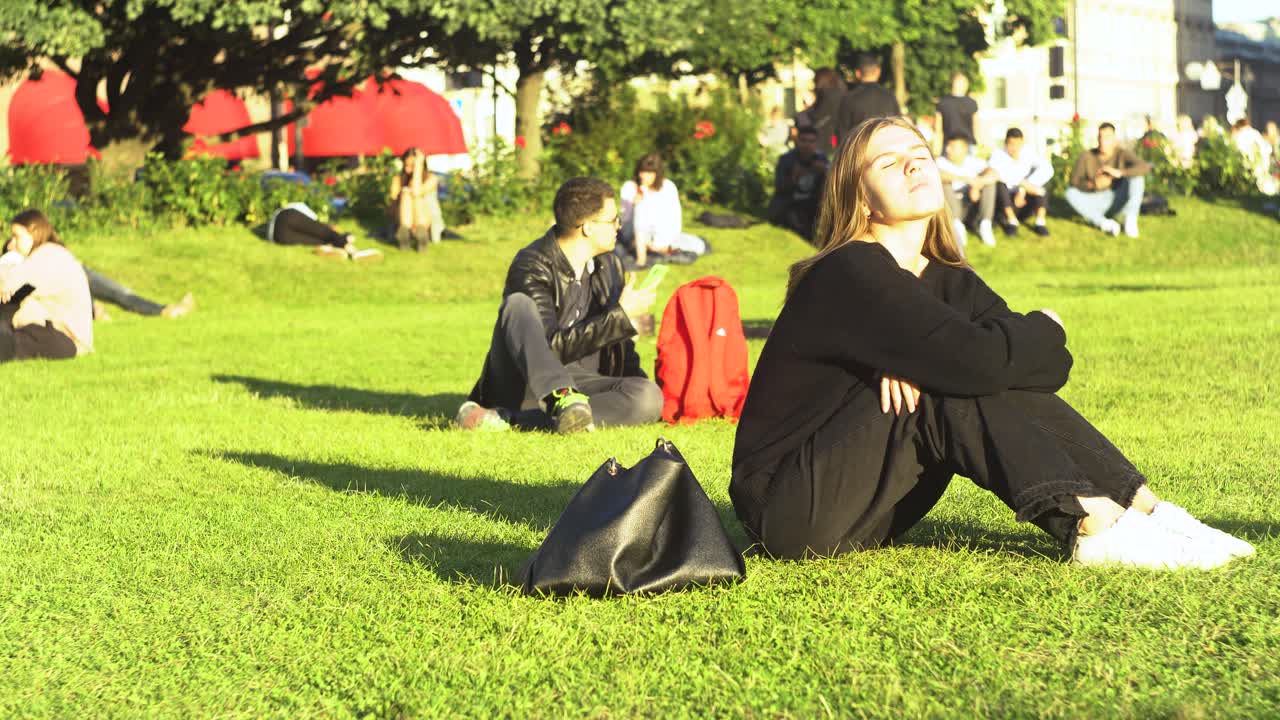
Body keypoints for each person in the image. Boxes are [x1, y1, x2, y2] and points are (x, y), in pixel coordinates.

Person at [728, 115, 1254, 569]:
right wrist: (1047, 325)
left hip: (873, 508)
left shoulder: (950, 278)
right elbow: (987, 359)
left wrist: (981, 352)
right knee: (951, 377)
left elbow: (1043, 372)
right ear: (861, 199)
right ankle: (1095, 528)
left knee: (967, 368)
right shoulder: (850, 269)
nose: (913, 166)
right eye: (888, 164)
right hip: (789, 508)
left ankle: (1149, 511)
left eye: (919, 154)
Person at [456, 177, 662, 434]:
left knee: (648, 396)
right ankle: (559, 400)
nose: (619, 226)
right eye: (612, 220)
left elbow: (618, 346)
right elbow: (550, 348)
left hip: (582, 381)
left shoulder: (610, 265)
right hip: (529, 383)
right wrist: (620, 317)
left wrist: (635, 382)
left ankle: (513, 420)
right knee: (517, 304)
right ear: (587, 227)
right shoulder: (531, 265)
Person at [0, 209, 92, 363]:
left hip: (63, 337)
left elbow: (11, 282)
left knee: (11, 341)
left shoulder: (48, 255)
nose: (12, 245)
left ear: (34, 232)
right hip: (47, 331)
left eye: (17, 237)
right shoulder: (46, 255)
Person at [618, 154, 708, 267]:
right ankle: (641, 258)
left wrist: (659, 243)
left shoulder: (668, 187)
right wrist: (633, 204)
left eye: (648, 173)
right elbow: (625, 220)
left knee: (698, 246)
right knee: (640, 209)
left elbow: (673, 219)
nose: (643, 176)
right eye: (641, 171)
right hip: (634, 233)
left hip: (661, 233)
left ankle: (656, 248)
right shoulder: (630, 187)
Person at [1065, 122, 1151, 237]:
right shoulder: (1086, 156)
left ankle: (1130, 220)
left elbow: (1145, 167)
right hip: (1096, 200)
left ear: (1114, 139)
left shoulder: (1122, 154)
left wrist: (1119, 173)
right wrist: (1093, 184)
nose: (1102, 141)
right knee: (1070, 193)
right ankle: (1105, 224)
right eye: (1100, 137)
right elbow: (1074, 181)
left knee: (1137, 178)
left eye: (1107, 137)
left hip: (1117, 198)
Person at [987, 127, 1054, 237]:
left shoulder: (1029, 152)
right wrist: (1023, 184)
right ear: (1005, 143)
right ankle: (1011, 221)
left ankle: (1040, 222)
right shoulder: (997, 154)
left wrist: (1023, 189)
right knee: (1000, 185)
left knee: (1043, 184)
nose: (1014, 148)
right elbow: (997, 175)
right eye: (1011, 144)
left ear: (1022, 142)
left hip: (1025, 198)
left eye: (1017, 144)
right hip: (1007, 200)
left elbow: (1048, 169)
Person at [935, 134, 999, 247]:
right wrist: (965, 179)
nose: (947, 149)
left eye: (952, 147)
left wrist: (977, 184)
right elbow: (937, 175)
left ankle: (985, 224)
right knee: (944, 183)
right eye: (947, 146)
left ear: (964, 149)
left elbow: (994, 174)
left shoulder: (974, 162)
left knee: (989, 184)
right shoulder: (940, 161)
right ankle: (957, 227)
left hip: (970, 204)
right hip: (952, 205)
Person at [768, 126, 829, 243]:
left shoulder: (821, 159)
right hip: (789, 204)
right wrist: (794, 178)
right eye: (804, 141)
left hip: (812, 205)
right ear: (797, 142)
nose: (807, 145)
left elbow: (832, 186)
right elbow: (779, 187)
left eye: (811, 141)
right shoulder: (786, 160)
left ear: (816, 143)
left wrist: (825, 172)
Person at [267, 202, 382, 261]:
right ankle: (351, 248)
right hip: (285, 217)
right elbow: (319, 227)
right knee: (326, 234)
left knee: (317, 241)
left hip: (277, 237)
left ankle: (333, 249)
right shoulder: (302, 209)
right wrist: (336, 233)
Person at [389, 147, 446, 251]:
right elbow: (392, 205)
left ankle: (420, 232)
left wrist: (418, 168)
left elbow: (416, 191)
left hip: (426, 219)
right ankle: (405, 233)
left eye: (412, 166)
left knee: (416, 197)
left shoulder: (432, 178)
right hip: (403, 219)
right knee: (406, 195)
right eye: (406, 165)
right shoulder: (398, 179)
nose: (408, 169)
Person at [835, 53, 901, 144]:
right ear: (878, 72)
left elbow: (842, 132)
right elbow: (898, 125)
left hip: (859, 150)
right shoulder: (890, 96)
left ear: (858, 73)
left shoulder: (849, 98)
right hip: (885, 147)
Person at [86, 269, 195, 321]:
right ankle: (165, 311)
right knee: (120, 294)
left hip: (75, 268)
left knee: (120, 293)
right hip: (74, 270)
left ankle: (165, 310)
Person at [794, 68, 846, 150]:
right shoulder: (841, 92)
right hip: (835, 137)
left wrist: (804, 114)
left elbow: (818, 116)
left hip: (825, 138)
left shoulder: (828, 95)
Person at [933, 72, 980, 155]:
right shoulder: (971, 103)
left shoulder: (942, 103)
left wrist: (936, 148)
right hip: (953, 145)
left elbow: (938, 129)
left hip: (963, 145)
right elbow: (976, 125)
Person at [1230, 118, 1276, 195]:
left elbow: (1235, 149)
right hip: (1261, 163)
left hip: (1248, 164)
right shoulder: (1254, 132)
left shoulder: (1240, 134)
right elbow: (1267, 148)